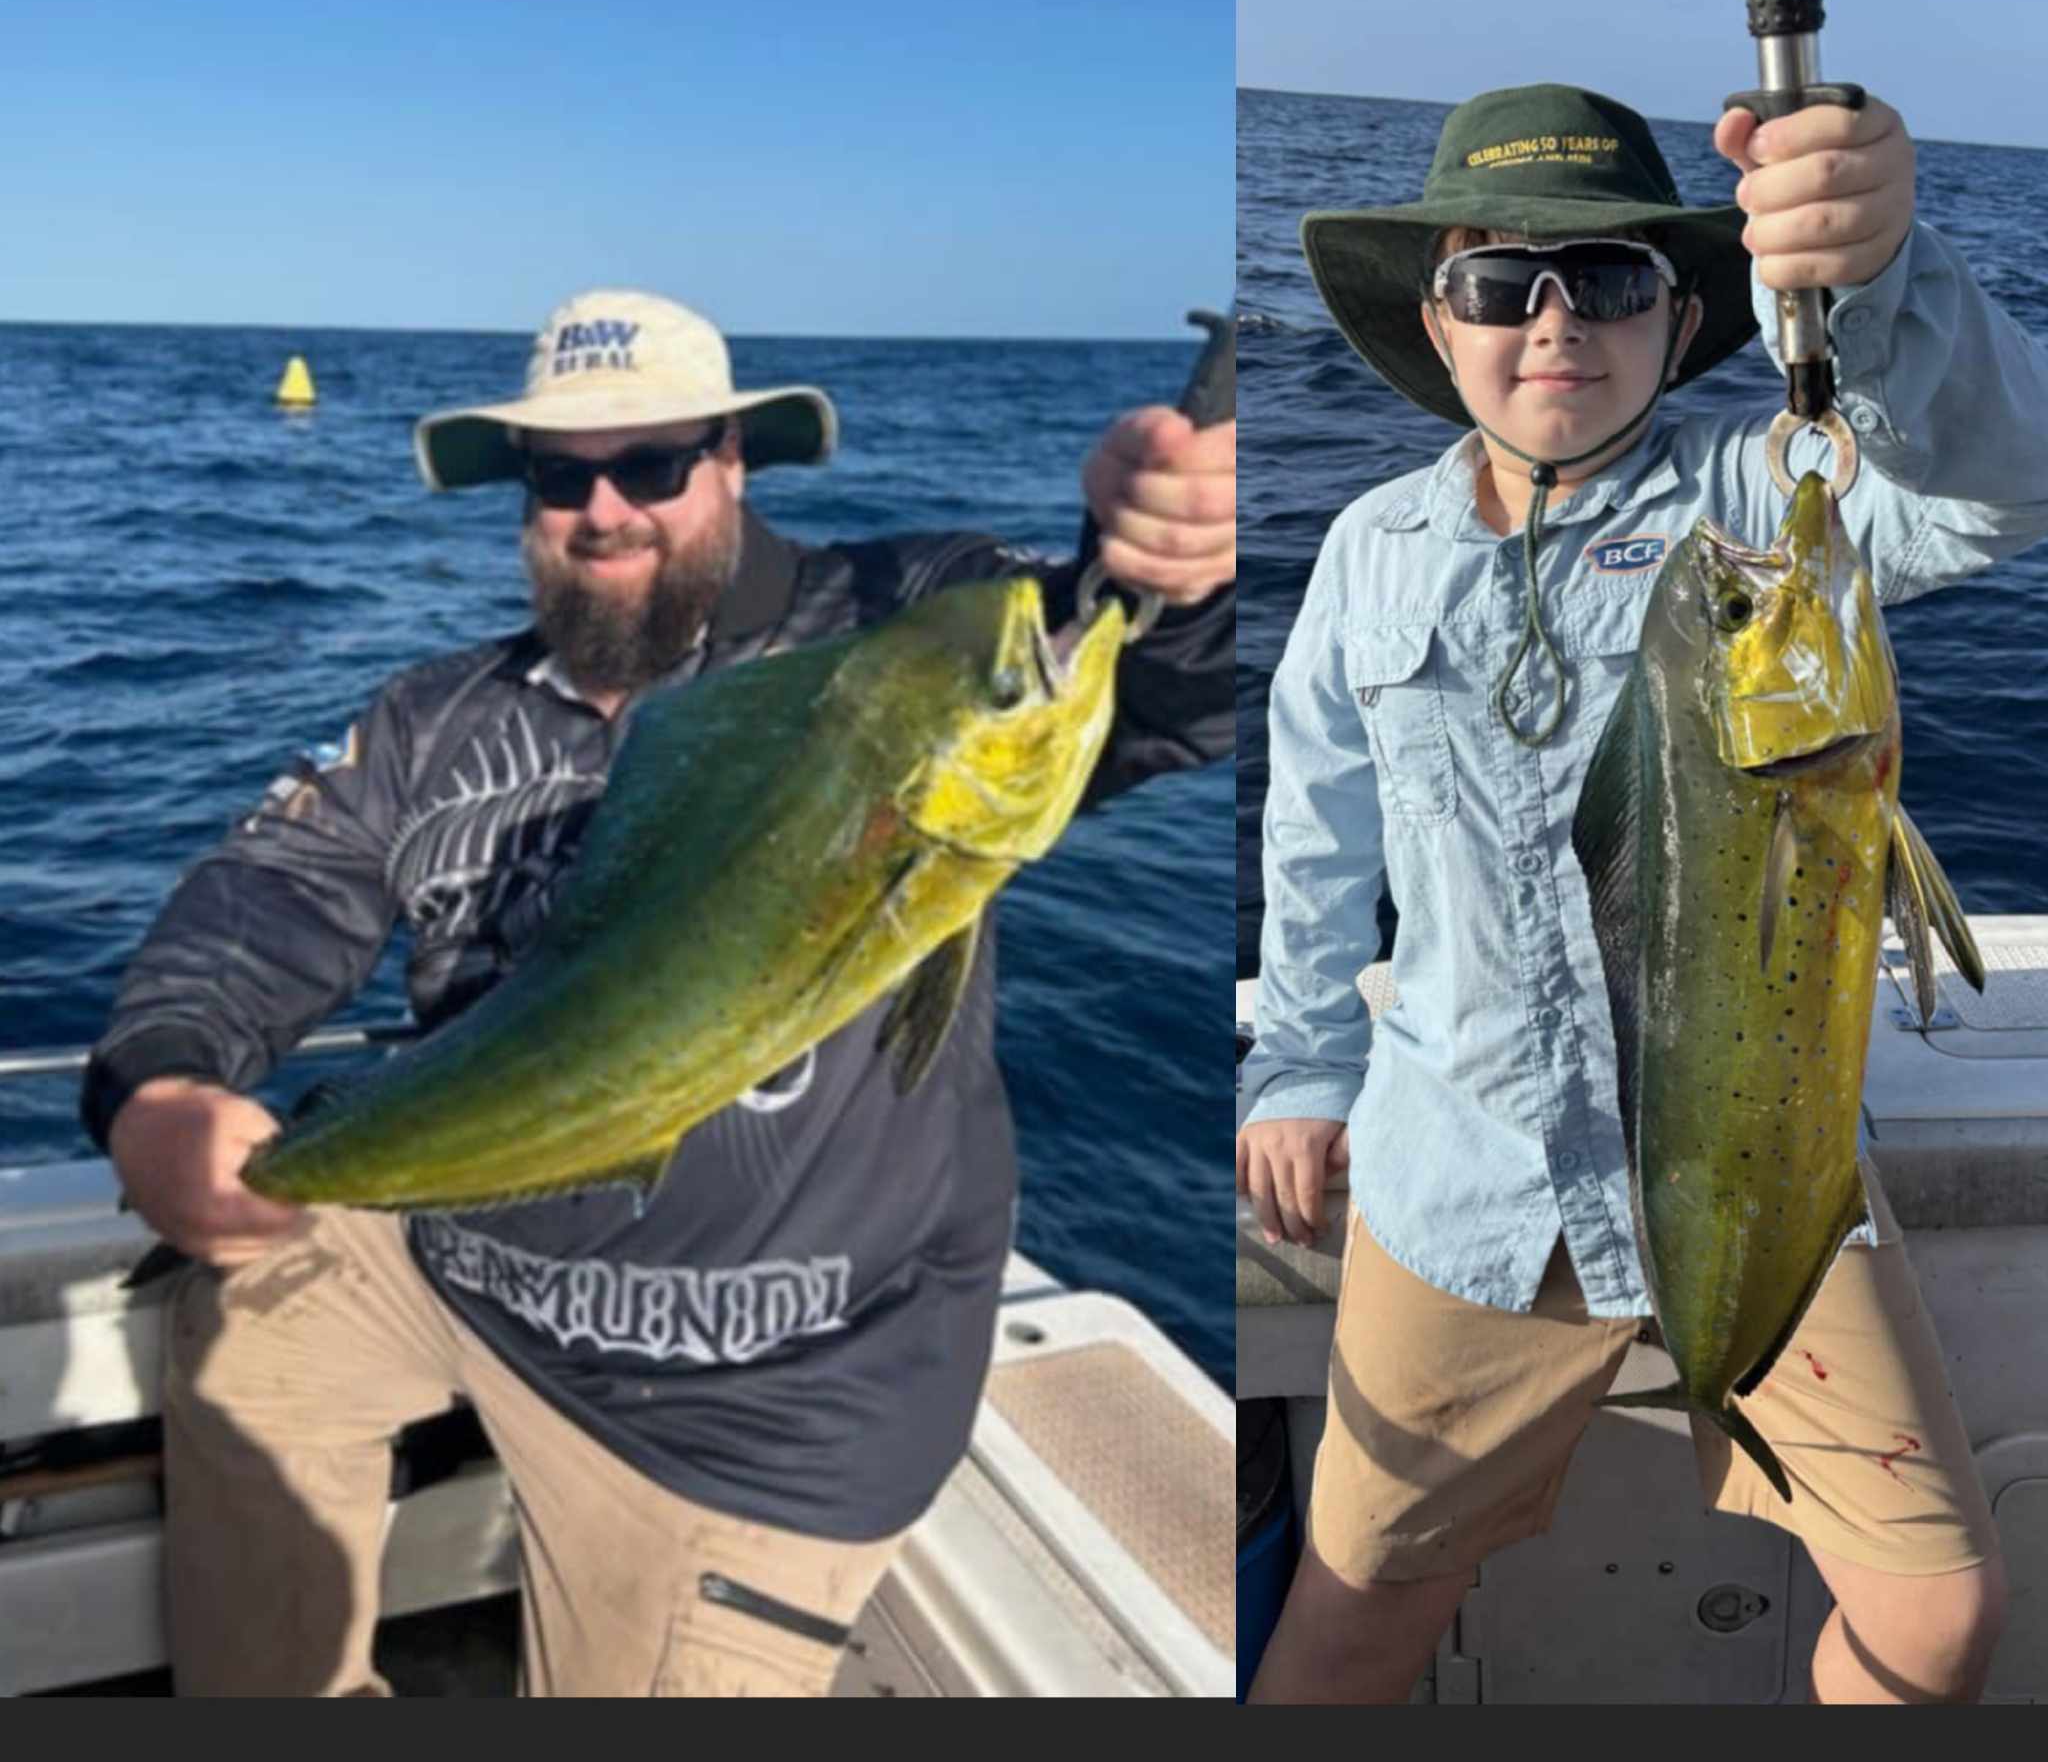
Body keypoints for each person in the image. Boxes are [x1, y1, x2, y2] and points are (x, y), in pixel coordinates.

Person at [85, 287, 1235, 1697]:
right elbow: (266, 895)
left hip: (759, 1409)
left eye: (653, 463)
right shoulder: (430, 715)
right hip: (461, 1259)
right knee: (241, 1315)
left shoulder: (896, 622)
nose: (605, 510)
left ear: (734, 462)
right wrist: (155, 1082)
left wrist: (1179, 568)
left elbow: (1148, 676)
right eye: (560, 476)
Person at [1237, 83, 2046, 1705]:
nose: (1554, 322)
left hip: (1769, 1183)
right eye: (1499, 284)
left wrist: (1879, 274)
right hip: (1461, 1178)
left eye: (1607, 280)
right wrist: (1306, 1065)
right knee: (1350, 1619)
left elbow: (1994, 492)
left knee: (1942, 1619)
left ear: (1679, 320)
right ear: (1438, 323)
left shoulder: (1759, 500)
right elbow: (1317, 837)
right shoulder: (1369, 550)